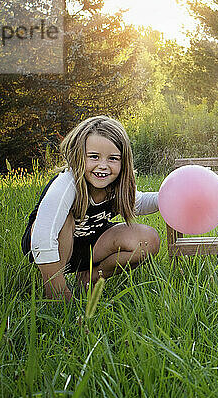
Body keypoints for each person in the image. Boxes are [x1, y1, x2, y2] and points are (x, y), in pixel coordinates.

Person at [21, 116, 160, 300]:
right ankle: (54, 286)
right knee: (65, 220)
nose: (103, 166)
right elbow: (42, 237)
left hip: (91, 245)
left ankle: (89, 278)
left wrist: (171, 196)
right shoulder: (66, 184)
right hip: (51, 245)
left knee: (148, 239)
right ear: (79, 155)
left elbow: (140, 202)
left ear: (123, 161)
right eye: (94, 156)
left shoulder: (116, 186)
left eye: (113, 158)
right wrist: (58, 289)